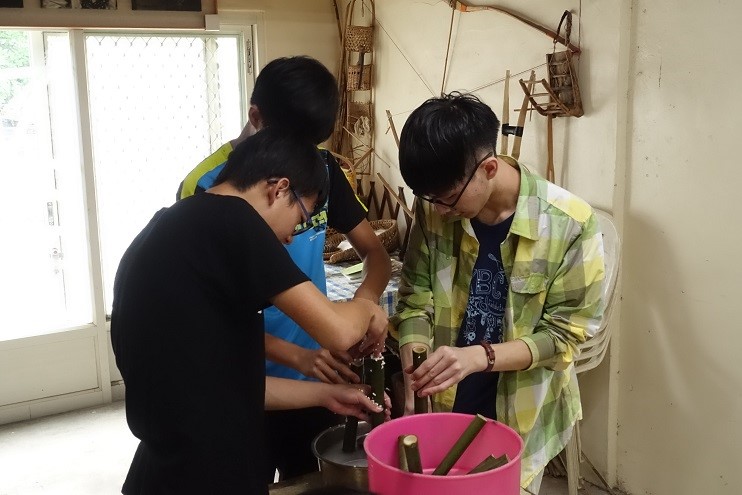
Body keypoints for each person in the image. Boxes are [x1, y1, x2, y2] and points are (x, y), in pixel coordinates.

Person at [111, 128, 389, 495]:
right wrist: (369, 310)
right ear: (278, 189)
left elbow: (222, 385)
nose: (291, 236)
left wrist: (325, 395)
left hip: (163, 468)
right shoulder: (234, 219)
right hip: (206, 473)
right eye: (301, 216)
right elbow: (339, 332)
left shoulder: (168, 226)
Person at [177, 55, 392, 483]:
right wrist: (314, 344)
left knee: (309, 476)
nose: (300, 162)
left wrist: (357, 310)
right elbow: (209, 320)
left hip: (319, 370)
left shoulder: (322, 171)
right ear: (256, 117)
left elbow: (376, 256)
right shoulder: (206, 189)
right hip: (245, 377)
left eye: (310, 147)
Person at [390, 92, 605, 493]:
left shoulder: (569, 224)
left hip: (520, 411)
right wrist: (413, 362)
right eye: (428, 199)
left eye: (448, 199)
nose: (438, 211)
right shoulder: (435, 206)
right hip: (445, 403)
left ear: (489, 168)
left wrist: (479, 356)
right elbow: (416, 294)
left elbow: (565, 337)